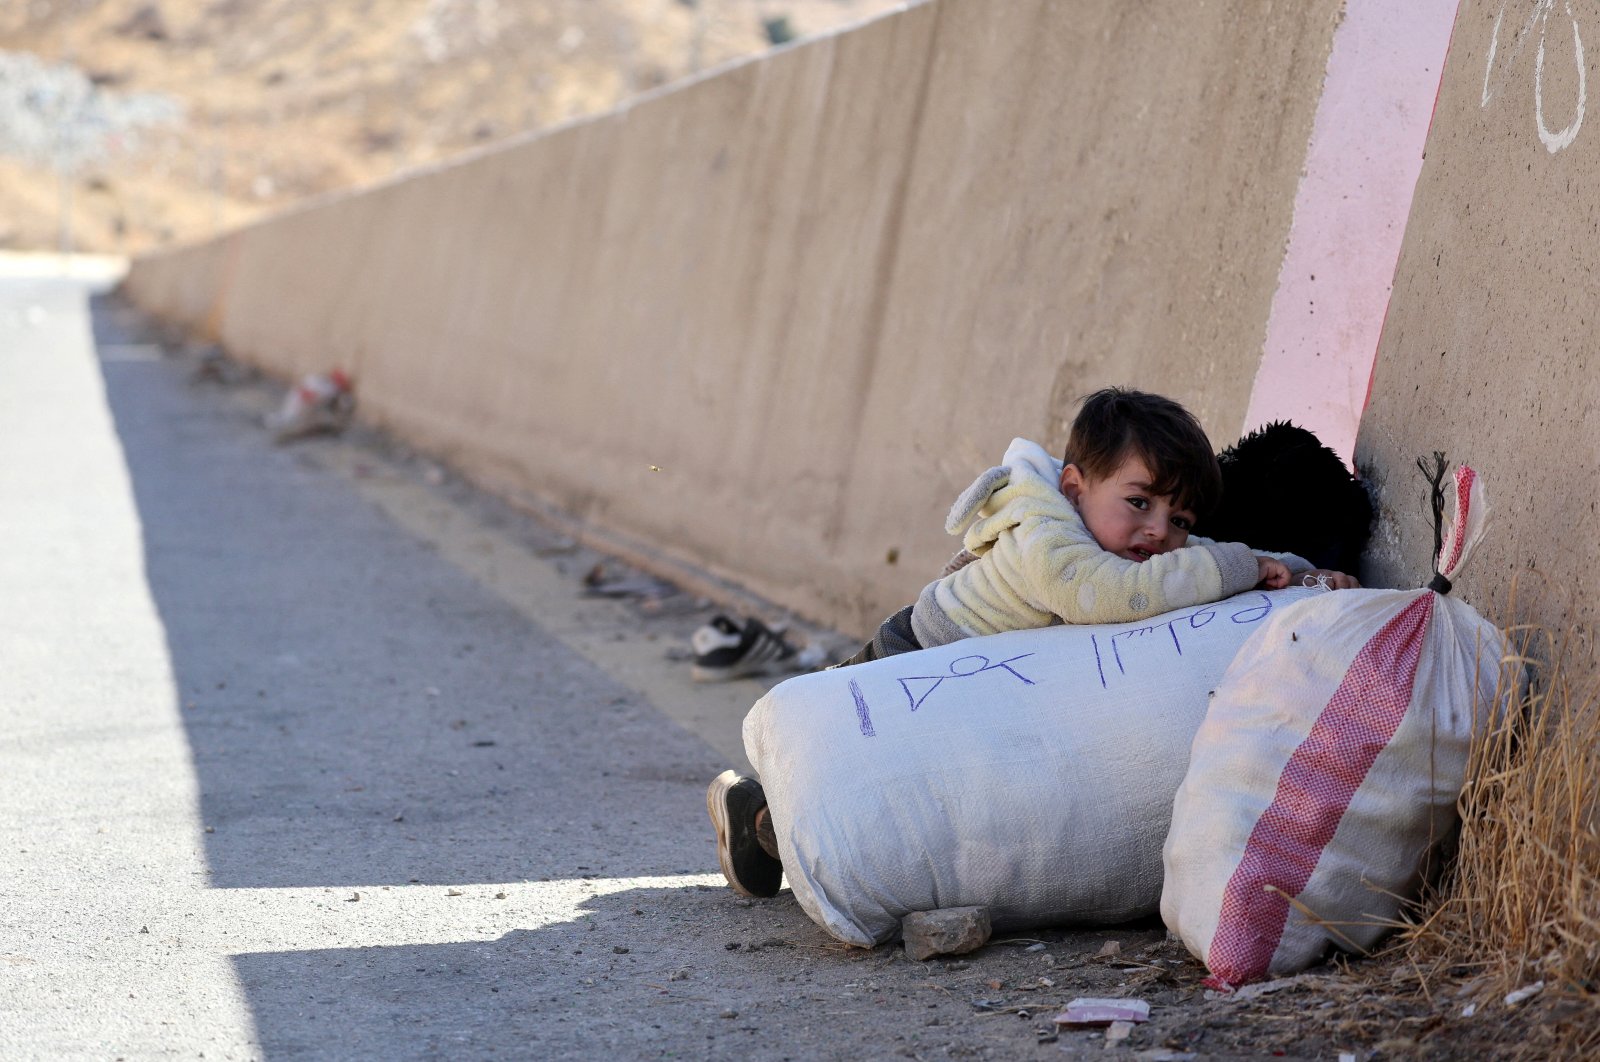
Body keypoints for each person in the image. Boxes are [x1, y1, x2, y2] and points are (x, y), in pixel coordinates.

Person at [707, 388, 1358, 897]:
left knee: (895, 785)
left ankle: (772, 819)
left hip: (975, 676)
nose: (1160, 532)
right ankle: (759, 809)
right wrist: (1241, 568)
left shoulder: (1128, 537)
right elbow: (1097, 595)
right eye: (1140, 503)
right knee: (839, 754)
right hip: (918, 653)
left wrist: (1292, 569)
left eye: (1179, 519)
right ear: (1076, 488)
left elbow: (1213, 556)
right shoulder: (1055, 544)